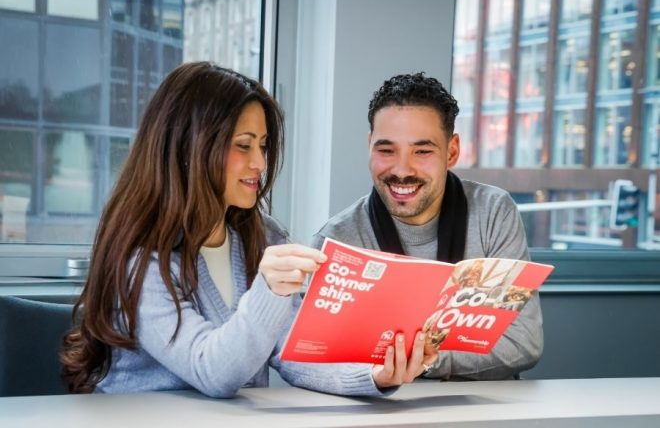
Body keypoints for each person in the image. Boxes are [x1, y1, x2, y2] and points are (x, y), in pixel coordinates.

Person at [60, 62, 434, 398]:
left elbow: (294, 351)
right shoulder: (141, 258)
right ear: (190, 147)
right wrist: (269, 289)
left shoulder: (262, 236)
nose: (259, 163)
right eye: (242, 146)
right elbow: (213, 371)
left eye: (264, 145)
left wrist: (373, 375)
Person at [312, 72, 543, 380]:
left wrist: (423, 359)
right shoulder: (337, 240)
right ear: (369, 147)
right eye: (386, 150)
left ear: (451, 152)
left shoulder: (493, 212)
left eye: (422, 151)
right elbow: (323, 358)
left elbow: (523, 342)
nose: (402, 170)